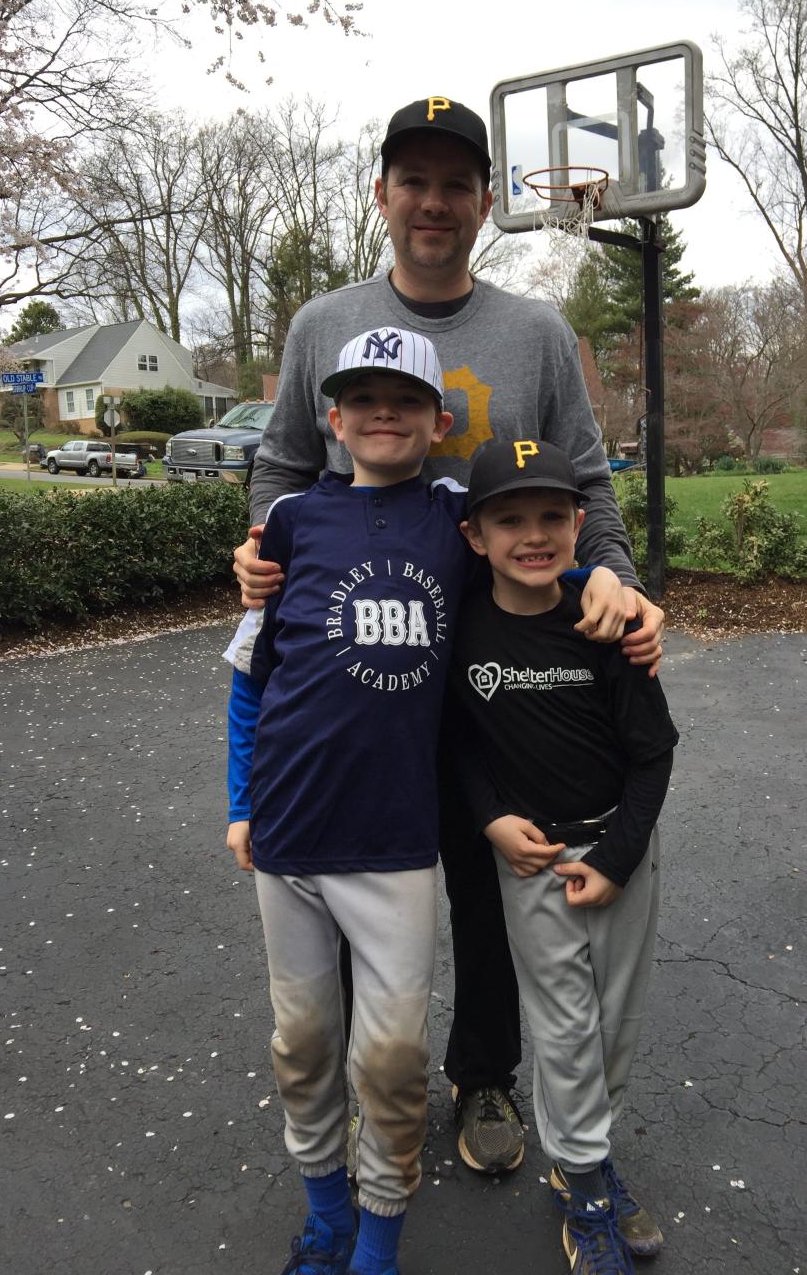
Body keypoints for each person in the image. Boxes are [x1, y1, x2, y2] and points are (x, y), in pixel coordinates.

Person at [232, 95, 667, 1175]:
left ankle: (482, 1073)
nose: (434, 201)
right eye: (412, 180)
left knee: (483, 873)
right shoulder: (320, 326)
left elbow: (590, 482)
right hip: (353, 654)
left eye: (455, 182)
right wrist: (255, 549)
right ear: (382, 194)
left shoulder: (532, 334)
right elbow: (283, 467)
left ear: (484, 201)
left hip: (492, 659)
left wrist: (615, 575)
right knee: (335, 874)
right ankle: (345, 1090)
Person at [224, 327, 474, 1275]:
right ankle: (326, 1216)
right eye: (362, 399)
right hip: (289, 832)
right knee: (304, 1042)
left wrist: (601, 580)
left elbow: (536, 552)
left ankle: (378, 1237)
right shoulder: (289, 523)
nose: (382, 413)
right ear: (331, 418)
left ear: (436, 421)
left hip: (397, 840)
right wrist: (240, 802)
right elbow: (252, 678)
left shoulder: (454, 516)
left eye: (404, 400)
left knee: (395, 1060)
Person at [449, 439, 679, 1272]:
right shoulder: (466, 625)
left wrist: (617, 858)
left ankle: (587, 1156)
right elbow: (459, 746)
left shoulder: (605, 621)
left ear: (580, 525)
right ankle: (585, 1188)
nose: (533, 535)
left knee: (613, 1023)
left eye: (553, 516)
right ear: (475, 536)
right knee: (564, 1025)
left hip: (621, 851)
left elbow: (656, 751)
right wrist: (489, 821)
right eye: (510, 520)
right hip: (534, 860)